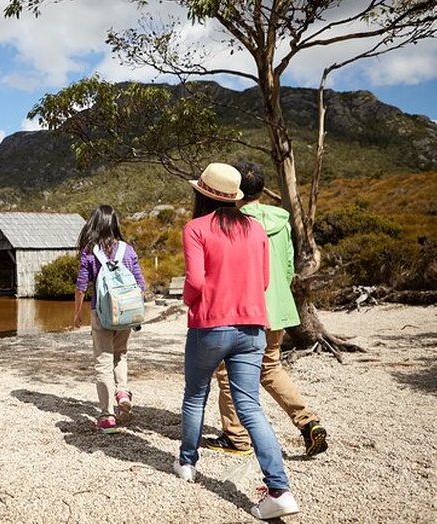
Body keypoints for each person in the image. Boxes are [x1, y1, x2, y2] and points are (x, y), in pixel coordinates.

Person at [173, 163, 299, 521]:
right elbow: (262, 281)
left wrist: (188, 299)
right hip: (252, 328)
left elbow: (195, 281)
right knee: (250, 408)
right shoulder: (256, 229)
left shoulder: (195, 229)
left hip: (210, 326)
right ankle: (279, 489)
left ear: (202, 193)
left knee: (196, 395)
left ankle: (187, 463)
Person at [204, 160, 329, 458]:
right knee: (270, 367)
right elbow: (287, 268)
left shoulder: (232, 223)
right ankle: (308, 422)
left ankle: (236, 437)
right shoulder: (281, 221)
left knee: (227, 371)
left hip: (245, 310)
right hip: (279, 308)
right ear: (261, 189)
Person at [73, 204, 147, 434]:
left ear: (94, 224)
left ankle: (107, 416)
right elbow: (140, 285)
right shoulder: (128, 249)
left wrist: (77, 313)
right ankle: (122, 392)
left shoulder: (89, 251)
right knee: (120, 354)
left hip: (102, 313)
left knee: (103, 360)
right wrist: (135, 312)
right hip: (126, 313)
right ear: (114, 223)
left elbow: (82, 285)